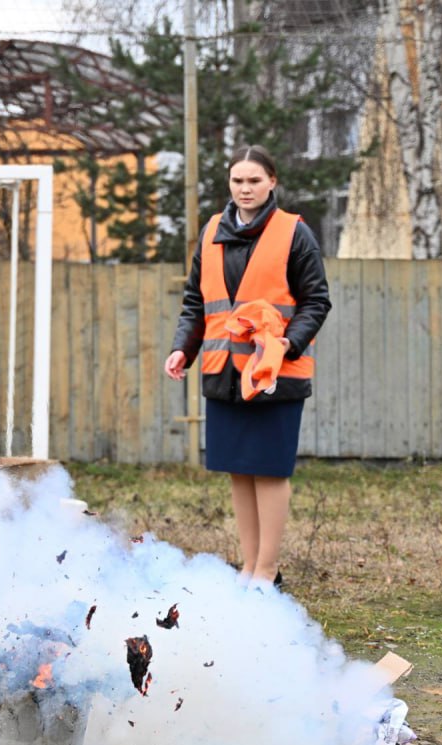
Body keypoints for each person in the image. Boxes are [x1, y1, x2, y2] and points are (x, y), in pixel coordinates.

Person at [164, 145, 331, 591]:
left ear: (272, 182)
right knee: (239, 468)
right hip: (223, 372)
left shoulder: (294, 233)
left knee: (270, 469)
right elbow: (196, 302)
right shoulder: (211, 232)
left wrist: (287, 345)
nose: (245, 188)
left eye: (254, 180)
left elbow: (316, 301)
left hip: (273, 374)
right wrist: (184, 347)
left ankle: (268, 571)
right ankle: (249, 567)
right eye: (237, 181)